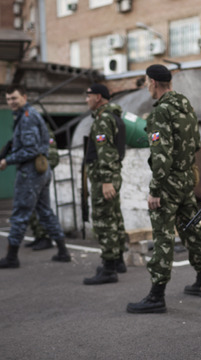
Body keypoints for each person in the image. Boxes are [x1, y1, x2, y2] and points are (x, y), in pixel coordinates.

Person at [126, 64, 201, 314]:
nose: (147, 88)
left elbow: (161, 156)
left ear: (152, 82)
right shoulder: (186, 107)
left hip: (168, 183)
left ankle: (156, 296)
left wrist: (155, 190)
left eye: (146, 83)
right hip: (186, 179)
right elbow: (196, 144)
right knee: (191, 228)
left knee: (163, 235)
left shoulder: (160, 113)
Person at [0, 85, 70, 269]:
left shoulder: (27, 117)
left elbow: (31, 149)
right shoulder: (26, 115)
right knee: (45, 212)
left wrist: (7, 161)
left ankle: (11, 257)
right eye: (8, 99)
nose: (11, 102)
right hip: (39, 171)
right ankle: (63, 251)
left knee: (20, 213)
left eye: (14, 98)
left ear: (24, 97)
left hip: (31, 172)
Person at [82, 83, 128, 285]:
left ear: (98, 97)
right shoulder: (115, 117)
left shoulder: (103, 120)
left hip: (104, 177)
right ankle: (117, 261)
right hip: (112, 173)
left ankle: (109, 269)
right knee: (114, 216)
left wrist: (106, 180)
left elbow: (106, 151)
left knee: (103, 219)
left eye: (88, 96)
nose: (86, 99)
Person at [25, 129, 60, 251]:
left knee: (42, 208)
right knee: (31, 207)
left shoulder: (44, 131)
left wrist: (43, 171)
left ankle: (46, 238)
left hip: (39, 176)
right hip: (30, 176)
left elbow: (53, 156)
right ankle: (39, 236)